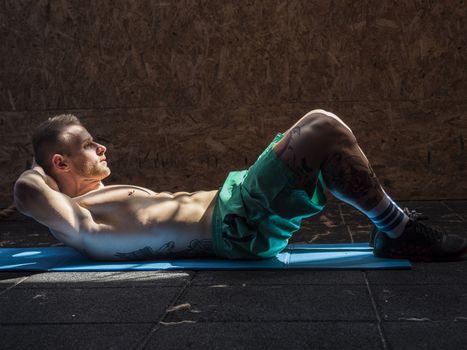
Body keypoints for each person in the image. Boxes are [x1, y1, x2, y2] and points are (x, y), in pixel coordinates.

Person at [13, 110, 467, 261]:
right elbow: (27, 191)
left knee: (321, 139)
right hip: (235, 224)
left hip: (235, 209)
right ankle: (398, 229)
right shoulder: (76, 218)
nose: (103, 149)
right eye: (90, 146)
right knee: (321, 127)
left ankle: (393, 231)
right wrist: (35, 172)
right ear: (59, 162)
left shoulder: (98, 198)